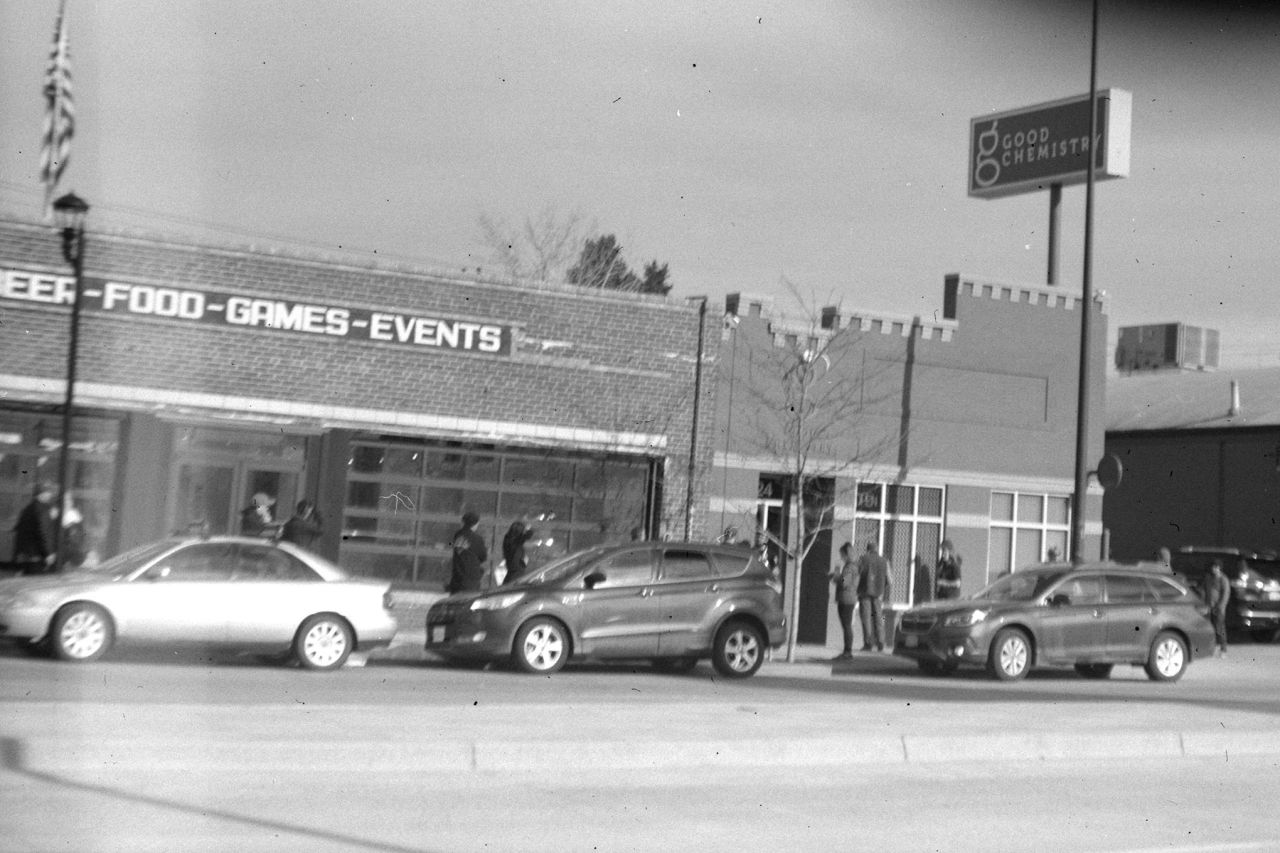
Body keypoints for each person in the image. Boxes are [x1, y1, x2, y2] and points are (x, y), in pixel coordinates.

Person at [12, 482, 58, 573]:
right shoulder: (43, 510)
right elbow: (43, 533)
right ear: (42, 494)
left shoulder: (29, 508)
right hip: (37, 557)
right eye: (49, 492)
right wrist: (48, 553)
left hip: (26, 555)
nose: (50, 495)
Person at [855, 540, 890, 652]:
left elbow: (855, 574)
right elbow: (890, 579)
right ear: (877, 550)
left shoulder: (863, 559)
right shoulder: (884, 561)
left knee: (866, 618)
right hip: (878, 595)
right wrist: (883, 589)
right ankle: (881, 643)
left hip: (864, 593)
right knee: (879, 618)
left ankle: (868, 643)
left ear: (868, 549)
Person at [828, 542, 858, 659]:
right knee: (846, 625)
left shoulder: (850, 567)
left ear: (846, 554)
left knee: (846, 625)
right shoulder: (850, 566)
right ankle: (847, 651)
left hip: (846, 599)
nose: (841, 557)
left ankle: (848, 651)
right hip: (847, 598)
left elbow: (845, 583)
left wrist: (835, 577)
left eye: (842, 554)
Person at [447, 511, 488, 594]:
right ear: (476, 524)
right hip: (472, 578)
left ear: (463, 522)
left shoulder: (458, 535)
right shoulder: (478, 539)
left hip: (457, 577)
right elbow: (483, 557)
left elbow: (454, 546)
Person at [1204, 559, 1231, 657]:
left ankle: (1223, 649)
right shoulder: (1209, 578)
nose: (1213, 569)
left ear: (1219, 568)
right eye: (1213, 567)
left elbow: (1225, 594)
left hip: (1219, 609)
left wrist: (1220, 606)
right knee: (1211, 629)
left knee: (1220, 629)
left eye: (1216, 567)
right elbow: (1205, 591)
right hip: (1210, 607)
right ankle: (1213, 648)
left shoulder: (1223, 579)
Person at [502, 518, 535, 585]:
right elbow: (529, 534)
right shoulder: (516, 541)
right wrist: (527, 529)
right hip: (517, 569)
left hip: (513, 567)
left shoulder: (508, 539)